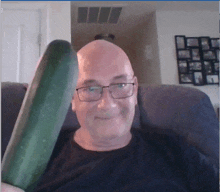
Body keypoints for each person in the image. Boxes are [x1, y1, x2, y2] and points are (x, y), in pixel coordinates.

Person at [2, 40, 218, 192]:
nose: (108, 103)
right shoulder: (38, 159)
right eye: (91, 89)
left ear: (134, 90)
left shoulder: (175, 150)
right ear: (72, 100)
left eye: (121, 84)